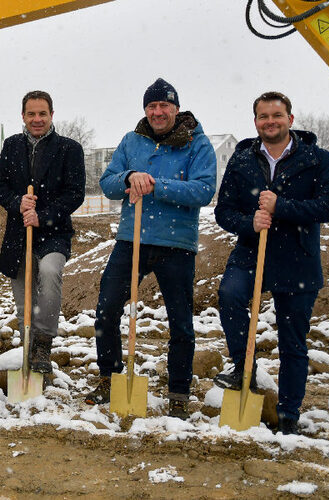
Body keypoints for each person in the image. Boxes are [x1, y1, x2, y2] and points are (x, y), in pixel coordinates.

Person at [214, 91, 329, 435]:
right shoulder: (242, 160)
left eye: (277, 115)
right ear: (255, 121)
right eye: (263, 116)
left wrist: (281, 207)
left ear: (290, 118)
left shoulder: (316, 159)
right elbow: (223, 212)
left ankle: (289, 414)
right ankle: (244, 365)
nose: (270, 121)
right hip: (251, 250)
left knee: (292, 340)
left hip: (297, 256)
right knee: (229, 295)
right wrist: (249, 223)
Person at [87, 78, 216, 419]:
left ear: (176, 108)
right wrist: (130, 176)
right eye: (152, 106)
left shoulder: (197, 144)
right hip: (132, 240)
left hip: (176, 244)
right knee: (106, 308)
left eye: (164, 106)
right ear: (145, 109)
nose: (158, 112)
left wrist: (157, 185)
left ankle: (178, 391)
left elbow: (203, 190)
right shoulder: (132, 141)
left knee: (180, 321)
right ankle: (109, 377)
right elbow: (108, 184)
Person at [0, 91, 86, 374]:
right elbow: (0, 186)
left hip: (54, 232)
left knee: (48, 271)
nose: (37, 119)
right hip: (18, 233)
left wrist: (42, 216)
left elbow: (75, 194)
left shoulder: (69, 149)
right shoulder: (11, 146)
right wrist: (17, 203)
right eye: (31, 114)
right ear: (23, 116)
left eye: (42, 114)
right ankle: (29, 349)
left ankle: (44, 340)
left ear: (51, 116)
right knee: (23, 295)